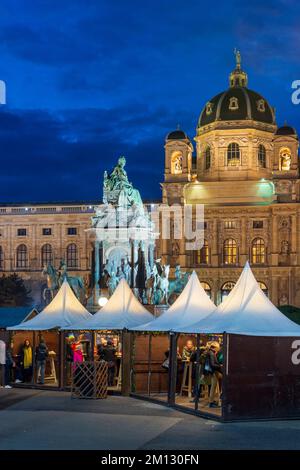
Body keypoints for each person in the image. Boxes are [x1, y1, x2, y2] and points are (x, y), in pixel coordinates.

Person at [207, 341, 223, 408]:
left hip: (213, 372)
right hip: (214, 372)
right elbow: (212, 364)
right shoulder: (211, 354)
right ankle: (211, 402)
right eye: (218, 348)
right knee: (213, 388)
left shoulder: (211, 353)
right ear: (215, 347)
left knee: (213, 387)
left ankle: (212, 401)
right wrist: (220, 366)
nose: (219, 349)